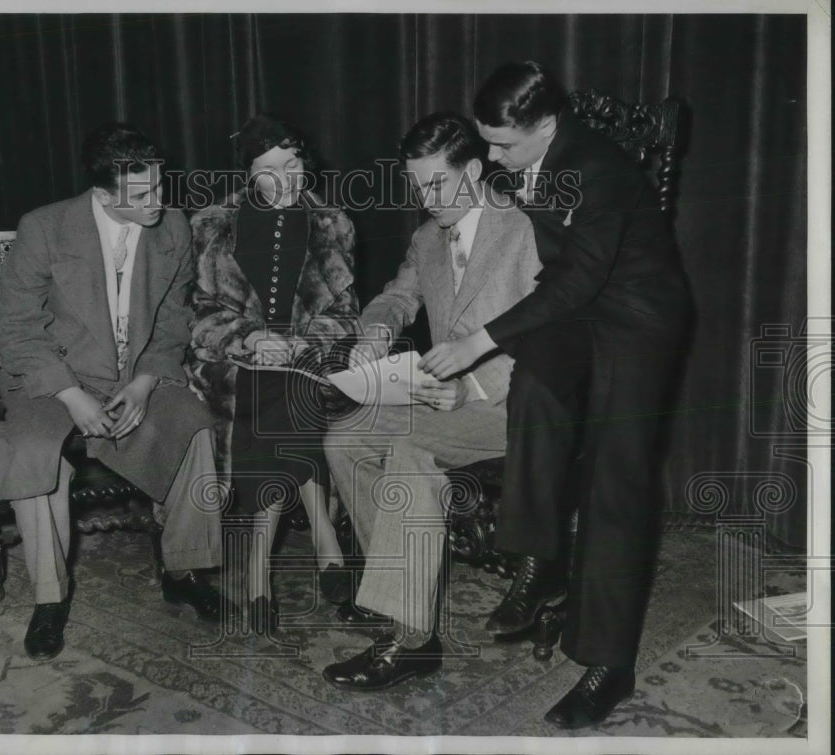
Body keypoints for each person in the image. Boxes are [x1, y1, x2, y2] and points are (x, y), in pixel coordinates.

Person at [421, 62, 692, 727]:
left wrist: (476, 341)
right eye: (486, 142)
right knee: (536, 379)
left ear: (547, 125)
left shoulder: (603, 170)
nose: (492, 156)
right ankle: (540, 557)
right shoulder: (522, 156)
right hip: (581, 310)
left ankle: (609, 663)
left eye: (504, 144)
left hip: (638, 317)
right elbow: (551, 271)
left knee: (614, 478)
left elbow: (578, 280)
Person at [0, 122, 229, 661]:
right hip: (49, 377)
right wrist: (71, 395)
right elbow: (15, 327)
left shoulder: (173, 228)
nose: (157, 202)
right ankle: (50, 599)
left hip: (133, 373)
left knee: (195, 429)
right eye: (141, 196)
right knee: (32, 454)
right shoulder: (45, 228)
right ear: (102, 195)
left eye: (160, 187)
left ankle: (182, 570)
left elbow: (172, 317)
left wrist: (144, 382)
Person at [321, 112, 541, 690]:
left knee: (412, 447)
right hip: (447, 399)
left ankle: (410, 640)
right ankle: (397, 594)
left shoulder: (526, 229)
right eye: (416, 186)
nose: (426, 198)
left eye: (436, 184)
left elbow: (554, 337)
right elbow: (398, 295)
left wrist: (470, 385)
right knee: (345, 438)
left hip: (519, 405)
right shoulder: (427, 236)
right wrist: (376, 331)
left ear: (473, 170)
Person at [187, 115, 359, 635]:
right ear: (248, 176)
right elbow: (199, 310)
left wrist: (303, 344)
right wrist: (250, 339)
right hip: (233, 361)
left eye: (293, 163)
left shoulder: (334, 223)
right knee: (273, 385)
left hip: (308, 358)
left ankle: (258, 567)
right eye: (269, 169)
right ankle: (324, 534)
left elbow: (346, 311)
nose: (285, 178)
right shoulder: (212, 223)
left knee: (292, 382)